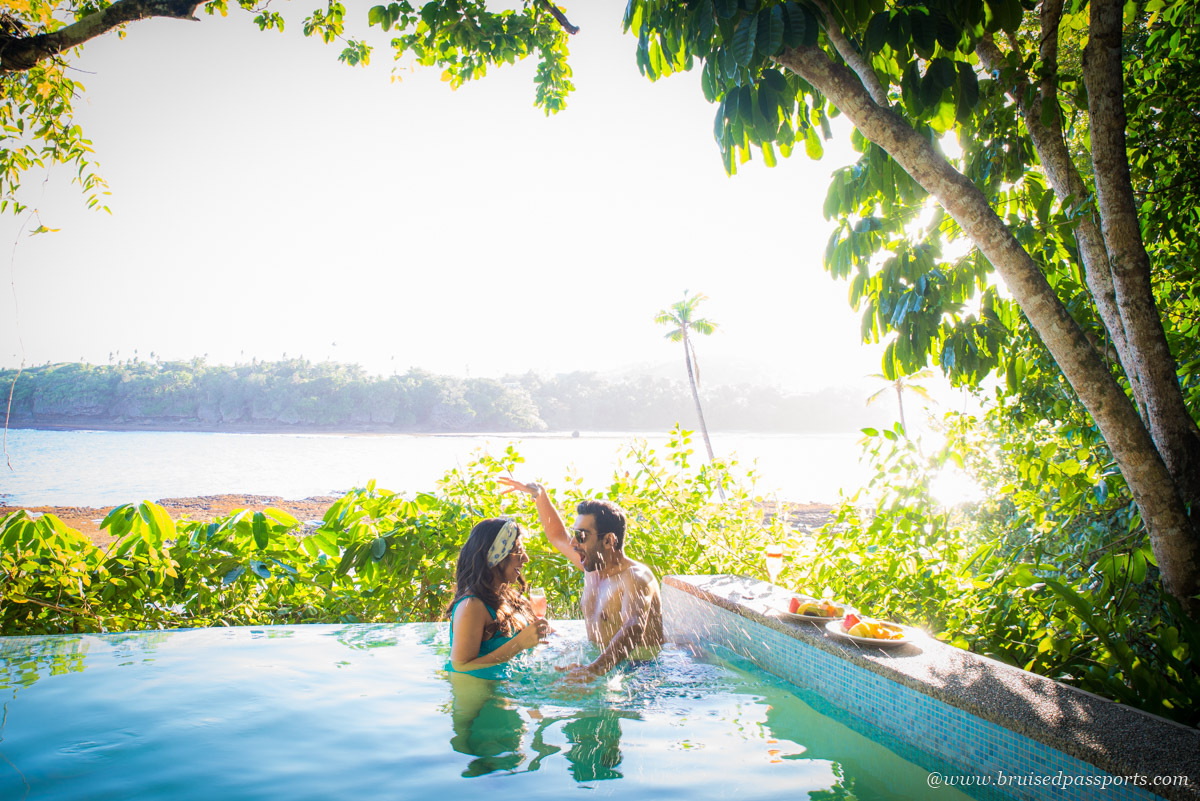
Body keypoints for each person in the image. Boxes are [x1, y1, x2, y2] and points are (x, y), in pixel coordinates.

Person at [500, 478, 663, 680]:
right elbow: (557, 535)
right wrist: (539, 494)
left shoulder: (636, 578)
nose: (573, 542)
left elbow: (634, 627)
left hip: (639, 672)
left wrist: (594, 670)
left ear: (609, 540)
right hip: (601, 661)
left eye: (582, 536)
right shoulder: (593, 567)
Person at [446, 517, 551, 680]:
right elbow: (460, 667)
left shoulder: (509, 596)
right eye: (518, 551)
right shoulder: (471, 606)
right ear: (495, 556)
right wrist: (519, 644)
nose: (525, 558)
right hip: (481, 699)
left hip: (510, 691)